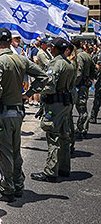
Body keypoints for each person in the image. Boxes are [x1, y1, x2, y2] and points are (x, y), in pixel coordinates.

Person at [0, 28, 49, 202]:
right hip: (17, 111)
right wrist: (29, 93)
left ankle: (7, 189)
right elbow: (43, 76)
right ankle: (18, 184)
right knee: (14, 150)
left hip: (4, 112)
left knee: (4, 151)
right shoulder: (20, 59)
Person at [31, 37, 76, 183]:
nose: (50, 48)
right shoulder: (70, 64)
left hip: (55, 104)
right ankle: (64, 168)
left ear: (55, 49)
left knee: (53, 136)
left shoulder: (55, 63)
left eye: (52, 47)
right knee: (64, 136)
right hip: (65, 103)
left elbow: (49, 86)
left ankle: (50, 171)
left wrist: (37, 92)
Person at [73, 39, 95, 139]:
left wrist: (73, 84)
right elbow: (94, 69)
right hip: (84, 84)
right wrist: (90, 80)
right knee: (82, 106)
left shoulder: (79, 56)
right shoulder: (87, 55)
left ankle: (81, 128)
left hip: (80, 85)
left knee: (81, 108)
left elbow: (79, 72)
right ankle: (83, 127)